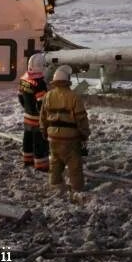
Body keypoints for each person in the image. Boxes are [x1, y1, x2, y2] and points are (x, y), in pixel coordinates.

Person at [40, 65, 90, 203]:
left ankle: (55, 184)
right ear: (68, 80)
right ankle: (77, 189)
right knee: (74, 165)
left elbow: (43, 117)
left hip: (53, 137)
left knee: (55, 162)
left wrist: (44, 131)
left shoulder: (48, 95)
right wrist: (85, 134)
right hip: (70, 138)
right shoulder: (74, 97)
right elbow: (81, 118)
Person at [18, 53, 49, 172]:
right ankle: (41, 164)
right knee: (39, 142)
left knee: (27, 138)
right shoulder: (39, 83)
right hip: (37, 119)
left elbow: (20, 97)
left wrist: (27, 109)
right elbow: (42, 104)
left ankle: (27, 159)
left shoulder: (24, 78)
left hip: (27, 116)